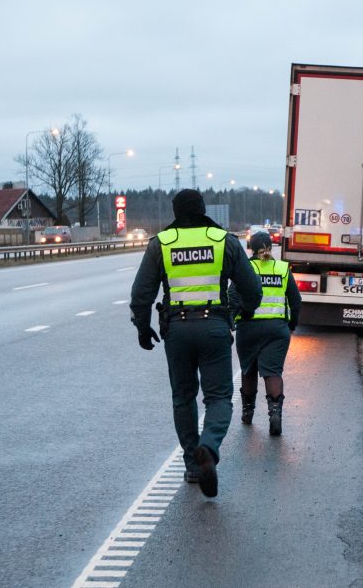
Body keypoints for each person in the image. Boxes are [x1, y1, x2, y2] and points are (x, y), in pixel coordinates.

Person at [130, 189, 261, 498]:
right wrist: (246, 310)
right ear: (203, 210)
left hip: (176, 330)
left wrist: (142, 327)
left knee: (183, 397)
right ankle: (209, 446)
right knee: (218, 398)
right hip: (214, 327)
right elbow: (251, 287)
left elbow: (141, 294)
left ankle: (192, 464)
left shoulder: (161, 244)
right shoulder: (223, 241)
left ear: (176, 213)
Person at [228, 231, 302, 436]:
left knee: (249, 370)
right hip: (277, 330)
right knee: (273, 372)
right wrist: (292, 324)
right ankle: (275, 414)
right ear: (270, 246)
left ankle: (247, 412)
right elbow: (296, 301)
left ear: (250, 249)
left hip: (248, 328)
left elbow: (232, 296)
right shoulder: (282, 268)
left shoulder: (246, 268)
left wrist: (230, 322)